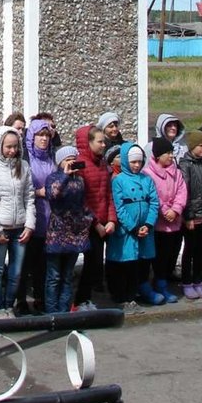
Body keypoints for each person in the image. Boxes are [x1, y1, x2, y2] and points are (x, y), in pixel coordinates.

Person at [0, 126, 35, 319]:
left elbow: (29, 198)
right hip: (0, 229)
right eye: (8, 147)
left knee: (16, 272)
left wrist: (29, 225)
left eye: (15, 147)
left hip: (20, 228)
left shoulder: (24, 166)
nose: (12, 151)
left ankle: (9, 305)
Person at [106, 143, 162, 311]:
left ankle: (132, 295)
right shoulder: (118, 181)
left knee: (137, 265)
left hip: (144, 230)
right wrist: (132, 227)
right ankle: (120, 297)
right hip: (126, 232)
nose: (137, 165)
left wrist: (148, 224)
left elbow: (154, 202)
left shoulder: (147, 179)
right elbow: (119, 207)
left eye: (139, 162)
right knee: (123, 265)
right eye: (133, 162)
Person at [44, 146, 94, 313]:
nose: (71, 163)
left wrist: (88, 220)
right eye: (67, 160)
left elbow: (83, 204)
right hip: (57, 233)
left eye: (74, 159)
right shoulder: (52, 178)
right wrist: (65, 175)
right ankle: (52, 312)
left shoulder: (79, 180)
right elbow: (53, 194)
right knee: (54, 277)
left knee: (67, 276)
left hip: (74, 233)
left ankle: (64, 312)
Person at [73, 125, 116, 310]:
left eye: (104, 141)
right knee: (92, 263)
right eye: (99, 141)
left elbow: (108, 194)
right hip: (88, 225)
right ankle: (79, 300)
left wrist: (112, 220)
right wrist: (96, 222)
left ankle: (86, 299)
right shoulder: (80, 164)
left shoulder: (103, 164)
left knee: (97, 265)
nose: (103, 145)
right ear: (88, 143)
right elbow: (80, 199)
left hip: (104, 222)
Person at [18, 118, 55, 315]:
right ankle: (21, 299)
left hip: (49, 217)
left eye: (47, 136)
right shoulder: (26, 160)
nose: (44, 139)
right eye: (40, 135)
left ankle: (41, 298)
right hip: (30, 215)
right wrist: (39, 192)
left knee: (43, 263)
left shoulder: (51, 158)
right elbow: (21, 186)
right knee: (24, 263)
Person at [143, 137, 185, 304]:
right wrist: (165, 211)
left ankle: (163, 284)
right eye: (166, 153)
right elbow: (154, 196)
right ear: (157, 155)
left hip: (174, 222)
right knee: (158, 258)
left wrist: (175, 209)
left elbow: (182, 191)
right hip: (158, 224)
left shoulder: (177, 172)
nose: (170, 156)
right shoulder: (148, 173)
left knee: (169, 256)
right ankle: (155, 285)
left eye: (171, 153)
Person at [178, 130, 202, 299]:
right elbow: (184, 191)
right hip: (193, 216)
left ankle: (198, 280)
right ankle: (187, 281)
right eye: (200, 146)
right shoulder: (186, 165)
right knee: (190, 250)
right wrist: (188, 216)